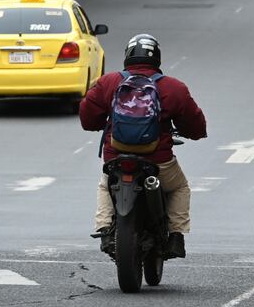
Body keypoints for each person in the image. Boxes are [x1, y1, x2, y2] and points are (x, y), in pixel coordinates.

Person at [79, 34, 207, 259]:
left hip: (116, 158)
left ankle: (104, 230)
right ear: (157, 58)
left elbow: (88, 119)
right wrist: (191, 132)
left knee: (105, 184)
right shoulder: (173, 87)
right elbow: (195, 125)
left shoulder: (108, 83)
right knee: (179, 188)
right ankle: (176, 235)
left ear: (127, 56)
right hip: (158, 161)